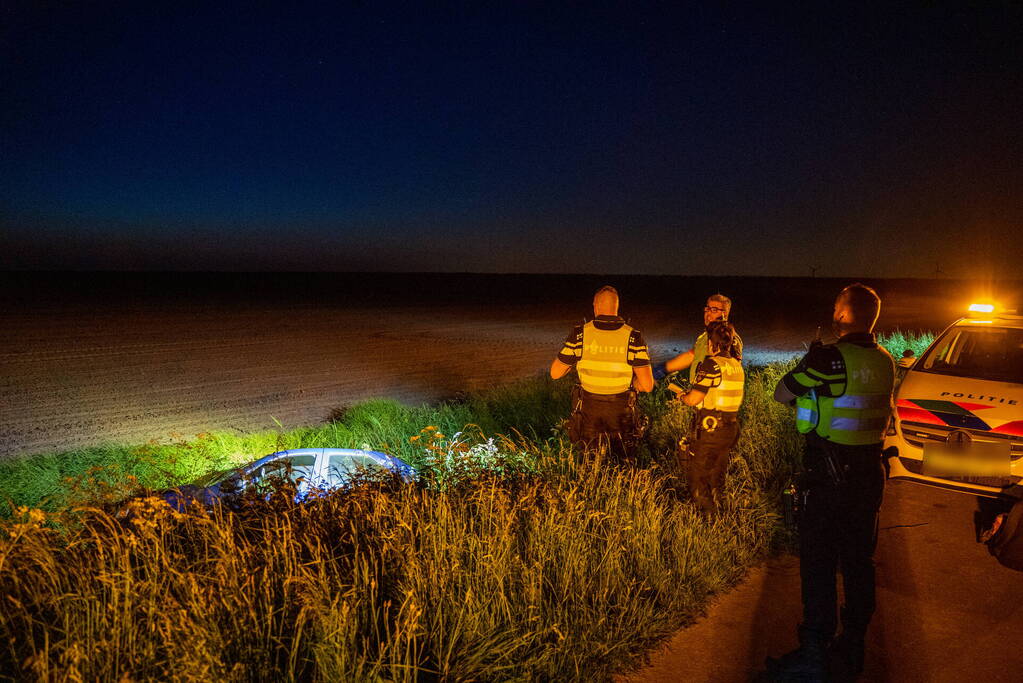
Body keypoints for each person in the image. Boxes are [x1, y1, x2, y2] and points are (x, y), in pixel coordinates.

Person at [766, 283, 895, 680]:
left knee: (819, 564)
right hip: (869, 472)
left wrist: (812, 359)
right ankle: (853, 644)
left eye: (837, 308)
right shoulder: (885, 360)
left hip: (829, 473)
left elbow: (782, 392)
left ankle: (814, 652)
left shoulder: (830, 359)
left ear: (841, 315)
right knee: (859, 562)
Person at [550, 285, 654, 461]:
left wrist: (572, 365)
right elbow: (647, 385)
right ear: (616, 307)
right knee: (623, 463)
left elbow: (555, 373)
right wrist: (632, 384)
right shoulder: (633, 336)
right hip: (621, 412)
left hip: (589, 411)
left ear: (595, 305)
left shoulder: (580, 334)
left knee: (590, 462)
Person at [670, 320, 744, 517]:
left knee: (699, 478)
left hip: (711, 429)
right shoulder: (736, 365)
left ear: (712, 343)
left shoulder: (712, 364)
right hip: (730, 429)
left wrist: (683, 397)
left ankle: (708, 522)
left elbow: (694, 399)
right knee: (717, 477)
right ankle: (724, 517)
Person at [653, 293, 743, 385]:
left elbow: (734, 370)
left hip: (713, 394)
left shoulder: (730, 338)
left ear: (724, 314)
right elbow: (690, 356)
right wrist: (661, 370)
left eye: (714, 310)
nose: (708, 313)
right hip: (697, 392)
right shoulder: (704, 336)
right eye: (707, 309)